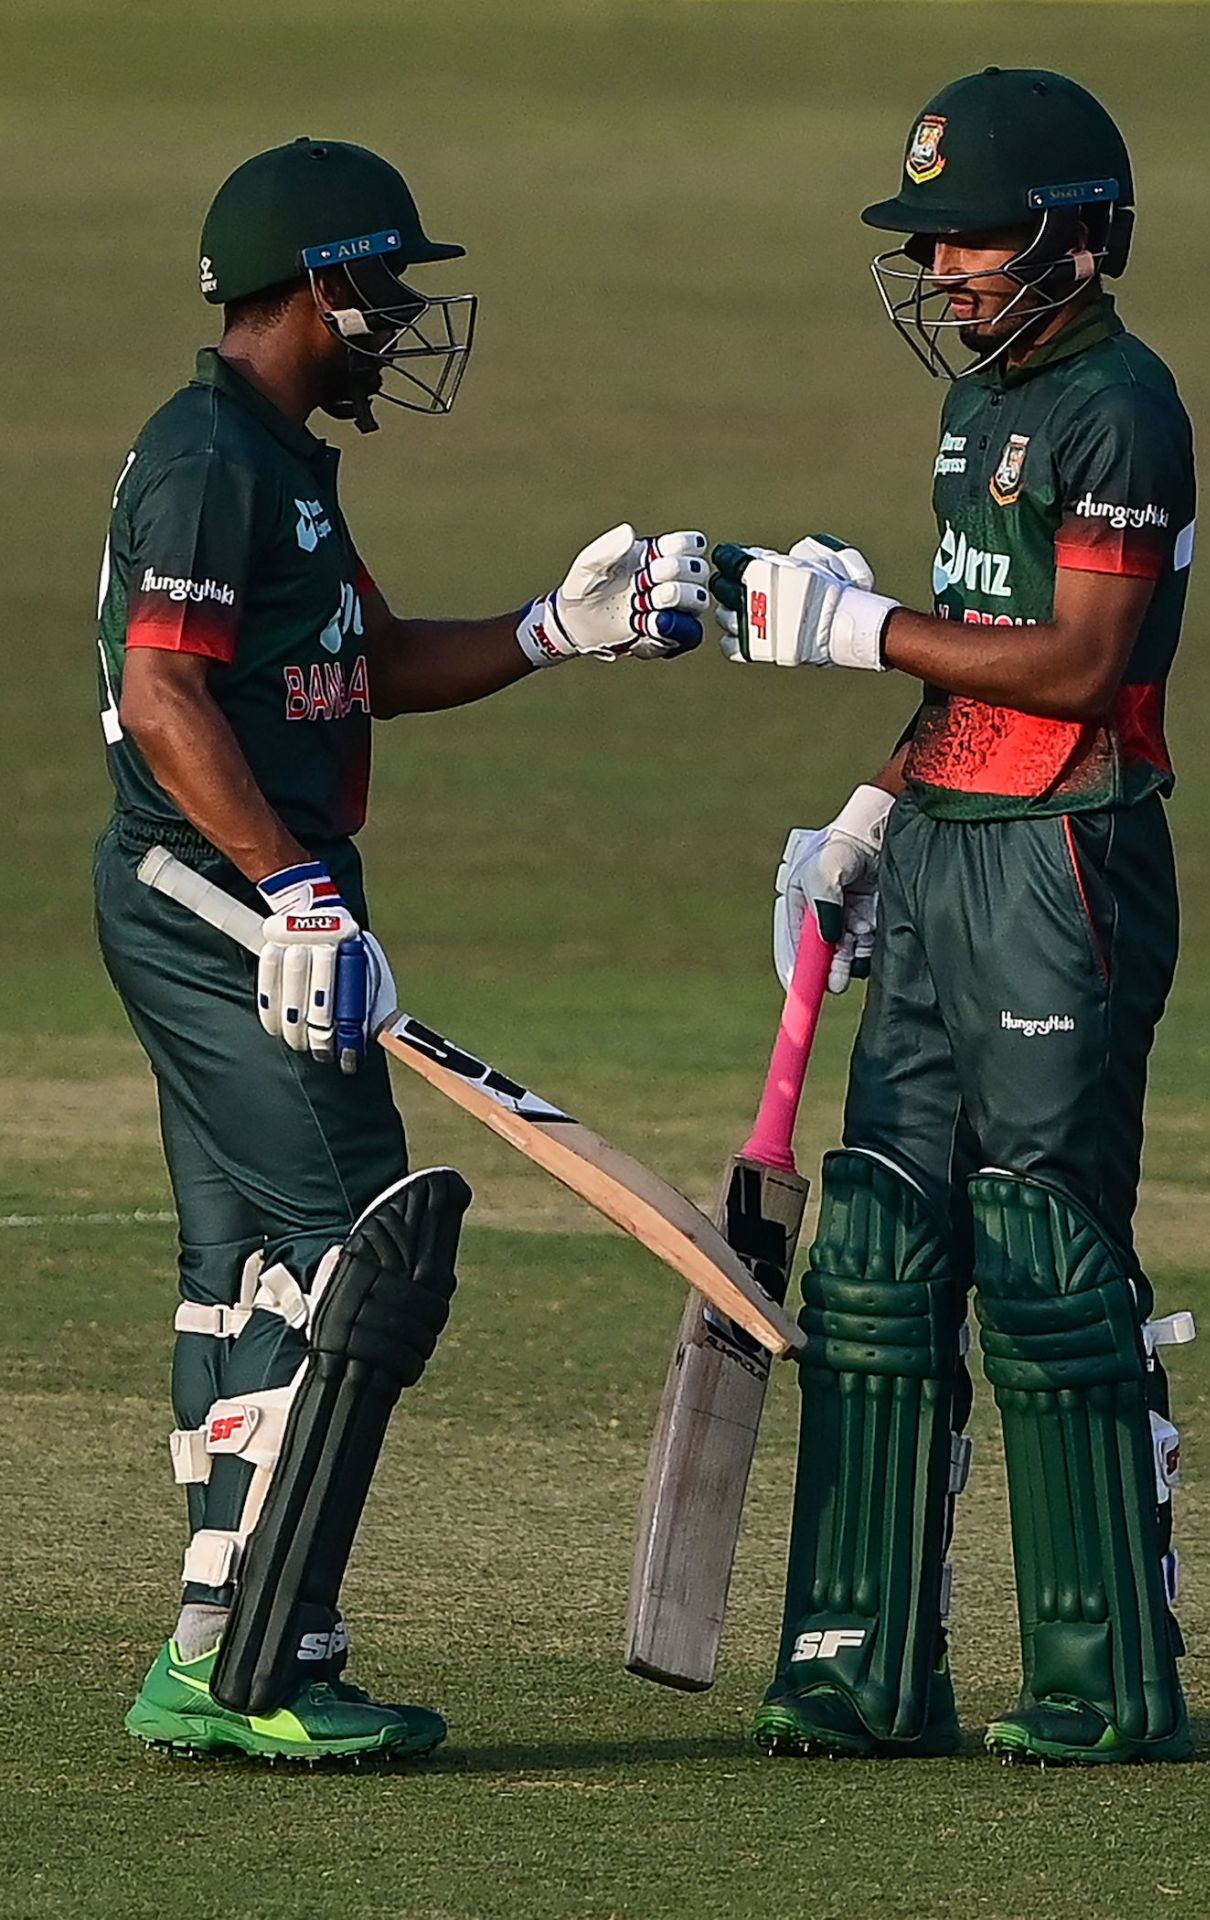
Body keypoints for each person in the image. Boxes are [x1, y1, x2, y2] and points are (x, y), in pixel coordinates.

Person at [94, 136, 709, 1763]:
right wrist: (295, 892)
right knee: (360, 1247)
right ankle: (273, 1662)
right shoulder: (210, 457)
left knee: (249, 1269)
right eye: (387, 285)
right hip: (220, 896)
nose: (403, 317)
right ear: (315, 287)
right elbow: (162, 696)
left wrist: (549, 632)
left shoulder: (276, 459)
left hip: (243, 889)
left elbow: (353, 669)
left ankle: (215, 1644)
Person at [712, 68, 1197, 1766]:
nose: (944, 271)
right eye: (930, 244)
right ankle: (859, 1665)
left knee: (1049, 1258)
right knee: (883, 1250)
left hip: (1070, 865)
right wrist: (869, 815)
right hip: (945, 858)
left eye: (971, 239)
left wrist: (857, 631)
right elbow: (972, 656)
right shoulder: (977, 410)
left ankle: (1099, 1676)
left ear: (1074, 237)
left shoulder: (1121, 408)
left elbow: (1079, 666)